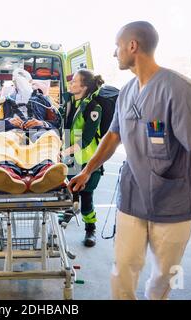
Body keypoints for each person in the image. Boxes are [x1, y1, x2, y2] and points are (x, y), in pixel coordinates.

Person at [69, 21, 191, 300]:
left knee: (164, 276)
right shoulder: (127, 92)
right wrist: (86, 171)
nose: (114, 53)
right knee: (122, 269)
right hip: (133, 196)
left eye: (117, 47)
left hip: (173, 200)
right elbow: (112, 137)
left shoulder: (180, 89)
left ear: (133, 46)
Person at [0, 69, 66, 194]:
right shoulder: (5, 102)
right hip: (13, 133)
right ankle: (6, 172)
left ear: (30, 82)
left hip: (39, 133)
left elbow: (58, 125)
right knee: (0, 137)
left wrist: (42, 123)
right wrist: (8, 122)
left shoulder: (44, 100)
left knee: (51, 135)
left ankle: (46, 171)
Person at [61, 69, 107, 247]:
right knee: (70, 190)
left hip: (88, 160)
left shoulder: (93, 108)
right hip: (71, 158)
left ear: (84, 86)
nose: (70, 84)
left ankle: (90, 229)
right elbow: (65, 128)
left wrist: (64, 152)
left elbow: (86, 139)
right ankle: (69, 212)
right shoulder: (70, 103)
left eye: (74, 81)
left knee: (86, 197)